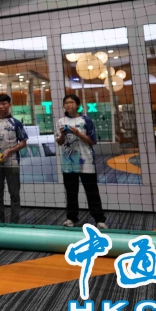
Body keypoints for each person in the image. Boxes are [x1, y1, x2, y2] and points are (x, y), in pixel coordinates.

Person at [55, 94, 107, 229]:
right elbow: (59, 142)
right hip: (68, 163)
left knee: (92, 192)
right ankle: (71, 218)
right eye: (66, 102)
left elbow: (92, 141)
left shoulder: (86, 120)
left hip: (87, 162)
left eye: (71, 102)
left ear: (77, 105)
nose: (68, 105)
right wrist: (63, 135)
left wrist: (78, 133)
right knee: (71, 193)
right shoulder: (60, 121)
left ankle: (99, 220)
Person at [0, 94, 27, 224]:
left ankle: (14, 221)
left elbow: (23, 142)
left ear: (9, 105)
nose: (1, 106)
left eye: (4, 104)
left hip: (12, 163)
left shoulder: (16, 123)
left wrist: (9, 151)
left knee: (14, 193)